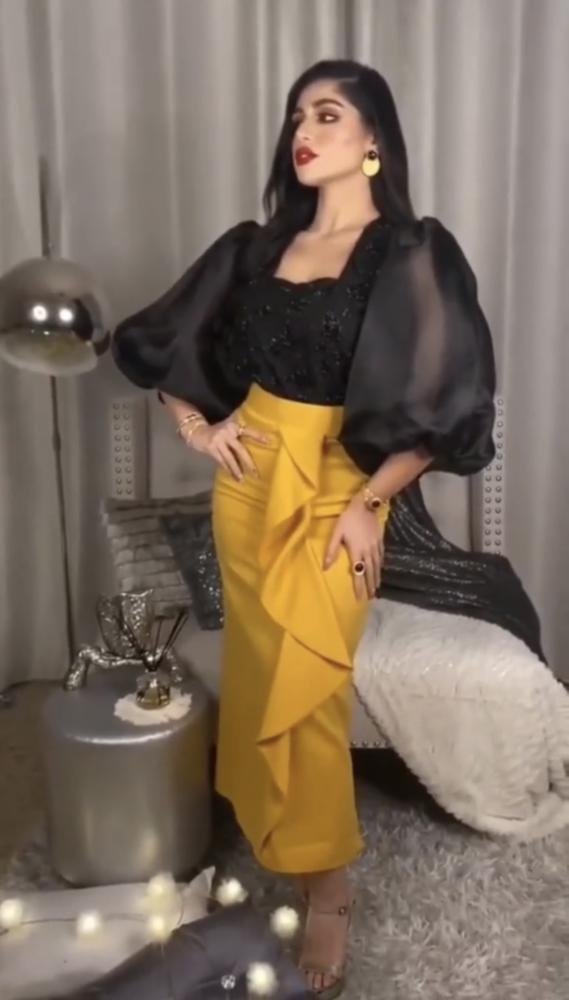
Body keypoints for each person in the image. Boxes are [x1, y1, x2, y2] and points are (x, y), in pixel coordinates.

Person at [112, 59, 496, 999]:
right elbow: (165, 343)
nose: (304, 131)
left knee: (309, 691)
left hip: (338, 489)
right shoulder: (255, 248)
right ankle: (283, 843)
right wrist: (200, 428)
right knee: (257, 678)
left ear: (373, 141)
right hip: (248, 489)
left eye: (327, 114)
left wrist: (371, 503)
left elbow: (447, 400)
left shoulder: (409, 251)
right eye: (297, 116)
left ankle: (329, 895)